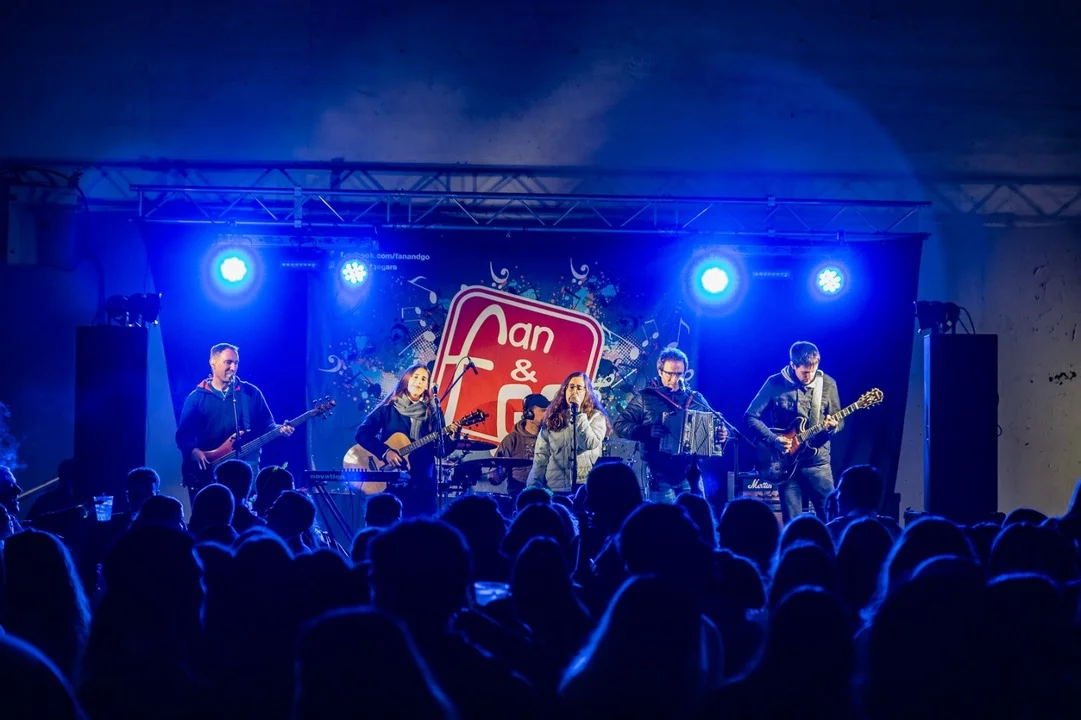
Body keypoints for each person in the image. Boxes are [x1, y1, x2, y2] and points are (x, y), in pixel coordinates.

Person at [174, 343, 294, 502]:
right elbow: (183, 435)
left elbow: (268, 425)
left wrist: (280, 430)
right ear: (213, 362)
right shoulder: (197, 397)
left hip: (247, 468)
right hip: (211, 469)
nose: (233, 367)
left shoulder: (251, 393)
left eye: (236, 363)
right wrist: (193, 450)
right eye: (228, 362)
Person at [744, 341, 843, 523]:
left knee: (831, 519)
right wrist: (774, 439)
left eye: (813, 370)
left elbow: (839, 420)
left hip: (818, 464)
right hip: (786, 464)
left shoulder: (828, 384)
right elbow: (750, 416)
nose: (809, 376)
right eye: (805, 372)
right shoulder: (774, 383)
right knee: (792, 524)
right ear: (793, 365)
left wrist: (833, 425)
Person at [614, 348, 727, 503]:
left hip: (690, 472)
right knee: (664, 517)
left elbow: (715, 425)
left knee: (694, 517)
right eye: (670, 373)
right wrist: (647, 431)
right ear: (660, 371)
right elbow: (619, 425)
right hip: (659, 473)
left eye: (679, 374)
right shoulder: (645, 397)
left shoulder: (695, 399)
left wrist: (721, 436)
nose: (674, 379)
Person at [354, 364, 451, 517]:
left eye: (424, 379)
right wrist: (386, 452)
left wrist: (454, 436)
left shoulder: (433, 411)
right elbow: (362, 433)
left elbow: (441, 451)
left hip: (423, 484)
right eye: (415, 377)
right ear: (406, 379)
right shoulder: (389, 407)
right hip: (393, 483)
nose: (419, 382)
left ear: (427, 385)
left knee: (424, 528)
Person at [527, 372, 610, 493]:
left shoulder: (596, 417)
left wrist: (578, 415)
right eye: (571, 387)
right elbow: (541, 458)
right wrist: (532, 487)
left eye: (579, 388)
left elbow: (590, 443)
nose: (574, 391)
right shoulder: (552, 419)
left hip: (585, 486)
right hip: (556, 487)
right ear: (565, 391)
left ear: (587, 392)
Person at [493, 393, 550, 495]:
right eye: (543, 411)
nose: (547, 414)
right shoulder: (512, 440)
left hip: (546, 494)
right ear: (529, 413)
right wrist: (497, 473)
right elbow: (495, 474)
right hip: (518, 495)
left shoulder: (550, 437)